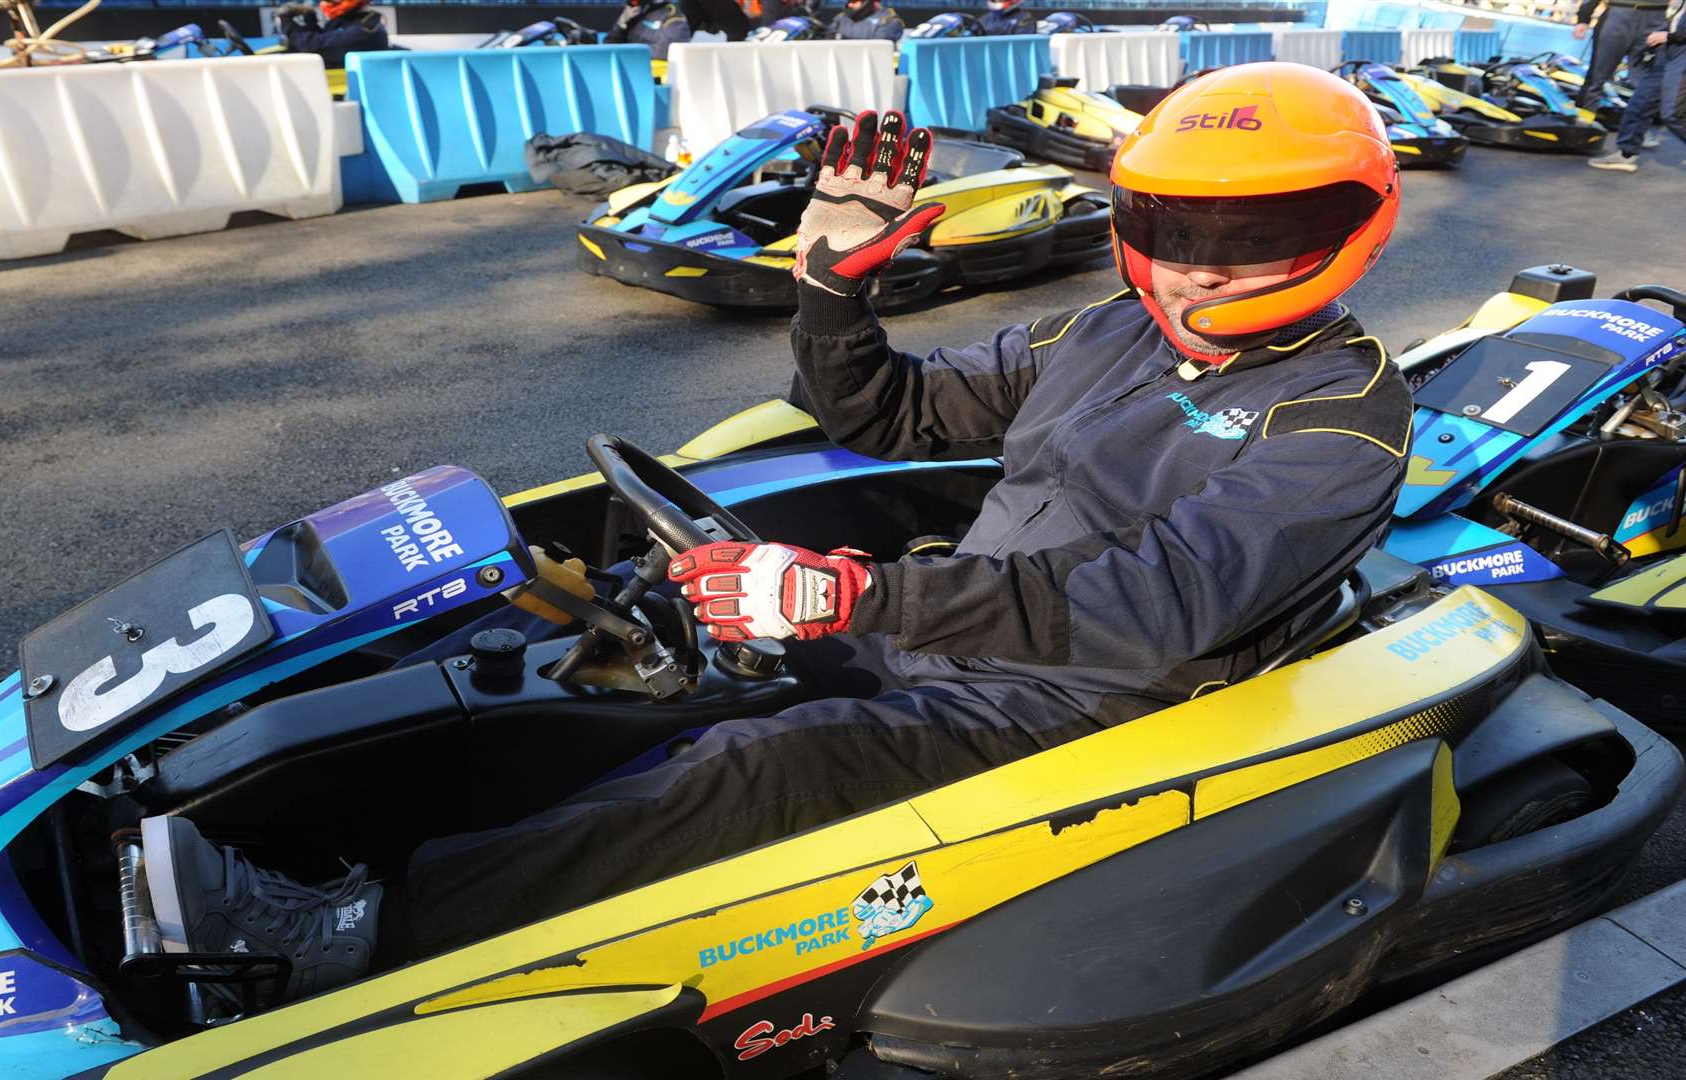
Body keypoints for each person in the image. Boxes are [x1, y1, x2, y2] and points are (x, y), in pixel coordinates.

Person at [140, 63, 1412, 997]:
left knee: (760, 767)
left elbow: (1157, 604)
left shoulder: (1345, 417)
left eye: (1250, 239)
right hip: (953, 626)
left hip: (1095, 702)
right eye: (1169, 231)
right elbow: (888, 413)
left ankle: (353, 943)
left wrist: (856, 599)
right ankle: (329, 842)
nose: (1195, 270)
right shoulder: (1104, 330)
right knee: (654, 671)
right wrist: (829, 291)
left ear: (1349, 225)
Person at [1590, 7, 1685, 170]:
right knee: (1640, 103)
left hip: (1681, 53)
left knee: (1672, 113)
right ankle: (1626, 153)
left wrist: (1669, 36)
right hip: (1668, 52)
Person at [1573, 0, 1671, 112]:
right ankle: (1584, 123)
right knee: (1597, 76)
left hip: (1657, 17)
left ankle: (1636, 127)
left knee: (1648, 82)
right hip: (1619, 13)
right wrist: (1583, 18)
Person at [273, 0, 388, 70]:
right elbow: (324, 38)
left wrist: (286, 20)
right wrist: (310, 19)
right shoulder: (347, 22)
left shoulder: (366, 28)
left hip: (342, 94)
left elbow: (315, 47)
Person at [613, 0, 693, 59]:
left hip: (655, 76)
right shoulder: (636, 12)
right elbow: (609, 45)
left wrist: (626, 53)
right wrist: (621, 25)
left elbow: (664, 52)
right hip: (629, 69)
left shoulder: (673, 17)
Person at [832, 0, 904, 40]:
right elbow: (829, 34)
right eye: (849, 2)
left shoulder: (889, 18)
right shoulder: (841, 17)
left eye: (854, 1)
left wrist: (843, 38)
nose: (850, 5)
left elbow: (882, 40)